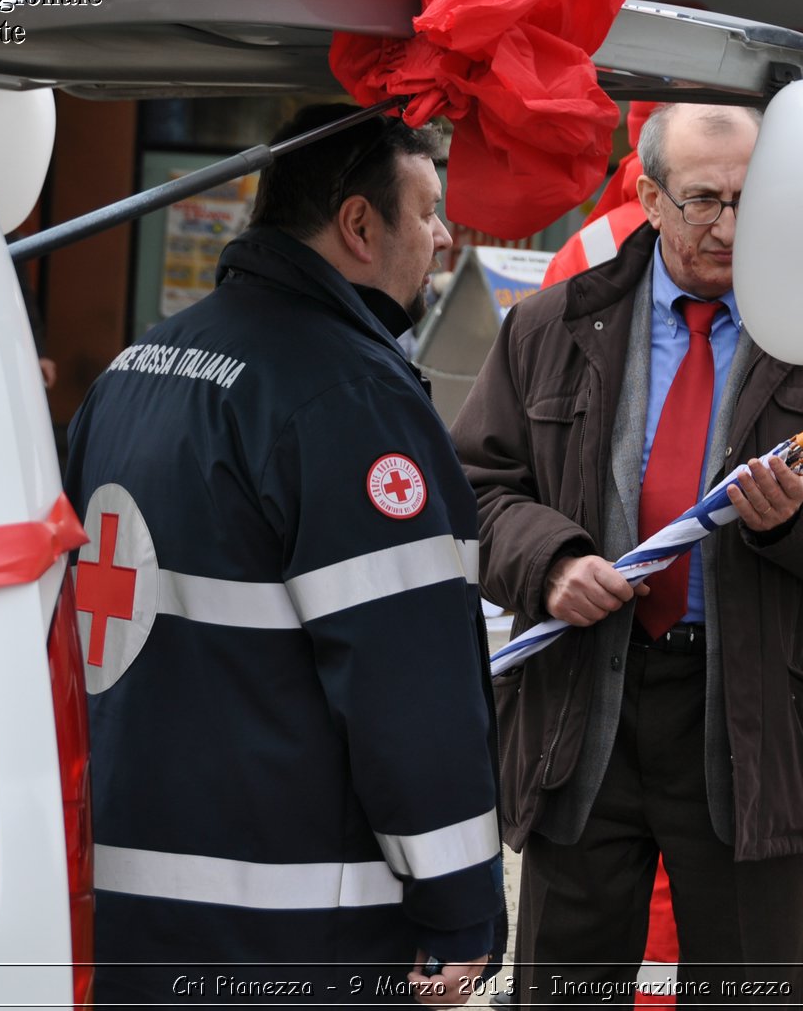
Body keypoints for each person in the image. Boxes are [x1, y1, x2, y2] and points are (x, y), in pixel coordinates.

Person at [452, 102, 803, 1004]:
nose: (728, 227)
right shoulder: (553, 325)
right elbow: (477, 491)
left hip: (752, 712)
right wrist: (554, 564)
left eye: (750, 202)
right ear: (647, 196)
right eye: (703, 200)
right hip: (584, 703)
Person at [65, 103, 505, 1006]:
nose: (444, 235)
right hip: (291, 924)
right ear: (357, 224)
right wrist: (460, 901)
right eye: (427, 209)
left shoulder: (132, 369)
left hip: (117, 902)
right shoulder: (348, 399)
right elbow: (405, 678)